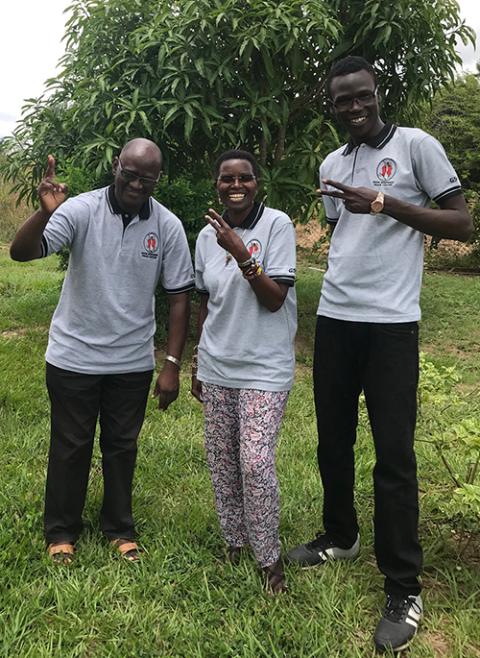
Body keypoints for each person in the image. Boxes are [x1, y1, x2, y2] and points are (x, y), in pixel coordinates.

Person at [287, 57, 473, 652]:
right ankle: (340, 536)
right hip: (337, 319)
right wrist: (360, 211)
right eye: (343, 101)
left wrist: (386, 203)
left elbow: (462, 225)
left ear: (376, 93)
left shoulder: (417, 146)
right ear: (333, 105)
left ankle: (403, 585)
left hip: (393, 325)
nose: (355, 108)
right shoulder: (331, 163)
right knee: (332, 441)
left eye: (362, 97)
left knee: (394, 456)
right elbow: (340, 232)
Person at [10, 138, 194, 563]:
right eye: (129, 174)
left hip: (130, 362)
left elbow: (180, 294)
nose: (135, 184)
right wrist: (43, 211)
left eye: (146, 179)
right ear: (116, 166)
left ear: (157, 180)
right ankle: (61, 530)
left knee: (121, 446)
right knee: (70, 445)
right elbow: (22, 253)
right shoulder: (80, 209)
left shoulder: (166, 226)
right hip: (74, 356)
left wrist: (170, 364)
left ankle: (119, 527)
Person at [191, 149, 297, 594]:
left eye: (244, 178)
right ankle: (236, 539)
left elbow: (274, 299)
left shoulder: (278, 225)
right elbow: (204, 301)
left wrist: (241, 253)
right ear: (216, 183)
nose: (235, 185)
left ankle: (268, 557)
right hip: (218, 365)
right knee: (222, 462)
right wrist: (197, 359)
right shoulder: (204, 236)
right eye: (226, 178)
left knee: (254, 463)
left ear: (258, 182)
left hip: (264, 368)